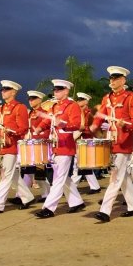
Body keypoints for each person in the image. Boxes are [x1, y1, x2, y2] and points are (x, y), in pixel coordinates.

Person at [91, 66, 133, 223]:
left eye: (115, 79)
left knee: (115, 176)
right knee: (122, 176)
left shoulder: (130, 97)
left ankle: (105, 211)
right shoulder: (106, 98)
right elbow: (100, 116)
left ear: (123, 80)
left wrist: (125, 124)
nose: (112, 81)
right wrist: (94, 125)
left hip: (124, 141)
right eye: (111, 79)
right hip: (111, 141)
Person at [34, 79, 85, 218]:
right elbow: (47, 120)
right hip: (55, 146)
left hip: (65, 145)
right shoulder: (54, 106)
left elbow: (76, 124)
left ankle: (49, 208)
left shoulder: (72, 106)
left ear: (66, 91)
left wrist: (63, 124)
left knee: (58, 178)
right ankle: (76, 202)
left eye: (59, 90)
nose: (56, 92)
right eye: (55, 90)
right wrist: (39, 127)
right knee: (63, 177)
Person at [0, 80, 35, 214]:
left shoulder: (19, 107)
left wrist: (11, 130)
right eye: (2, 90)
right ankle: (27, 197)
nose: (2, 92)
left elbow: (23, 128)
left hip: (12, 145)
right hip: (2, 145)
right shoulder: (0, 109)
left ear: (13, 92)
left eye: (6, 89)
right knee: (13, 175)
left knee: (6, 175)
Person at [71, 92, 102, 195]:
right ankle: (95, 186)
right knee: (83, 164)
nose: (78, 101)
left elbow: (94, 128)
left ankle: (73, 186)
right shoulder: (77, 112)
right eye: (78, 100)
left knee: (80, 164)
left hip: (87, 140)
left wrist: (83, 130)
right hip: (78, 140)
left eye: (80, 100)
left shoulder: (90, 113)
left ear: (86, 101)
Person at [24, 90, 51, 201]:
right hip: (29, 145)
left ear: (40, 100)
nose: (30, 101)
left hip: (39, 145)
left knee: (39, 172)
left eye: (33, 98)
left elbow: (46, 131)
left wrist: (35, 137)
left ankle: (46, 194)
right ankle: (22, 195)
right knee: (27, 170)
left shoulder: (44, 113)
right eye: (30, 99)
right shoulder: (30, 113)